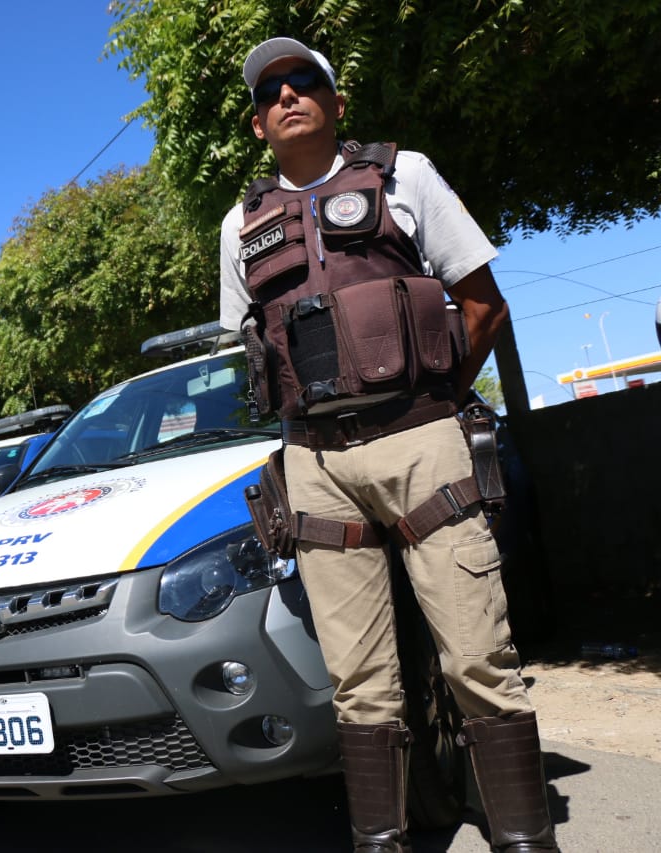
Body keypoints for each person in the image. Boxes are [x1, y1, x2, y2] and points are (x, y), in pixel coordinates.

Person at [221, 38, 558, 852]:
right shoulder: (238, 224)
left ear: (337, 104)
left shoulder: (407, 176)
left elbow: (481, 302)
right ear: (260, 125)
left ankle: (524, 839)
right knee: (359, 685)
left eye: (306, 82)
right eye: (271, 92)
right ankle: (383, 840)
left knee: (477, 656)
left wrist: (435, 395)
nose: (288, 95)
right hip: (316, 467)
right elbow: (251, 351)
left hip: (422, 443)